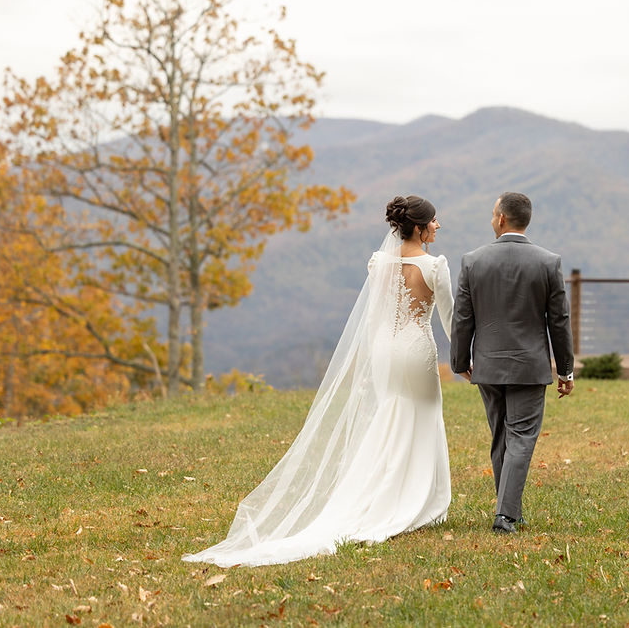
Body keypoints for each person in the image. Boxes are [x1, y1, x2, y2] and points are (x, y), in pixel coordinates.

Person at [182, 195, 454, 567]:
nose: (438, 227)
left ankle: (384, 490)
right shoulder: (435, 266)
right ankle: (416, 498)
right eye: (434, 222)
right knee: (421, 416)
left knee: (392, 415)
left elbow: (375, 317)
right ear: (420, 228)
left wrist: (373, 357)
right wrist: (465, 358)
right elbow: (449, 318)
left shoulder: (378, 263)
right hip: (416, 348)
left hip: (384, 350)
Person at [450, 192, 574, 534]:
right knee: (519, 438)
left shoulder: (472, 261)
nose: (492, 219)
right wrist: (565, 369)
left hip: (487, 365)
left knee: (502, 437)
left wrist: (460, 360)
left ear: (502, 218)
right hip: (530, 366)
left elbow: (463, 317)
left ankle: (509, 511)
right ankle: (506, 515)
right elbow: (559, 321)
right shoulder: (548, 262)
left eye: (492, 214)